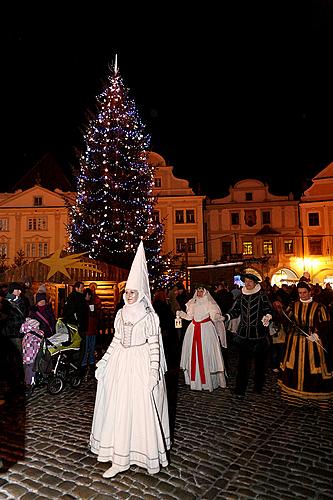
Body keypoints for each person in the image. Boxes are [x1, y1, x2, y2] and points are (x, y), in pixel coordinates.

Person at [89, 241, 170, 478]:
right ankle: (119, 456)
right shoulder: (121, 313)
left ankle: (142, 452)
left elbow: (155, 345)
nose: (129, 295)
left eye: (133, 292)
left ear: (141, 293)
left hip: (140, 362)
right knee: (118, 406)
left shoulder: (148, 317)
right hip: (121, 363)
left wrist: (153, 371)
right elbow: (116, 340)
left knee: (139, 407)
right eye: (127, 292)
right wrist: (104, 361)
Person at [278, 281, 333, 402]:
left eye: (304, 293)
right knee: (293, 367)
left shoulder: (319, 306)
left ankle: (314, 396)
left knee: (313, 367)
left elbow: (326, 324)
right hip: (294, 342)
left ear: (310, 292)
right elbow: (286, 319)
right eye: (300, 293)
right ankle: (295, 396)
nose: (302, 295)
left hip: (312, 341)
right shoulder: (293, 305)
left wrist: (317, 334)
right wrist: (279, 312)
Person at [224, 273, 273, 396]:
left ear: (255, 283)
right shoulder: (241, 296)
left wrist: (267, 317)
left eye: (250, 281)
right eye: (246, 281)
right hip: (244, 335)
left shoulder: (262, 296)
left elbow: (268, 309)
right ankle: (240, 389)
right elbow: (235, 310)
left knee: (260, 364)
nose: (248, 284)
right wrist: (226, 317)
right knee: (242, 365)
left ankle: (258, 387)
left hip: (259, 335)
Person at [178, 285, 227, 392]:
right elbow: (189, 317)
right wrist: (181, 314)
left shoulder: (210, 303)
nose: (199, 293)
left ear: (205, 292)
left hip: (206, 330)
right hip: (193, 329)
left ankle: (208, 381)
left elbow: (214, 315)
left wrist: (218, 317)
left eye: (201, 291)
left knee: (206, 352)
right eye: (198, 291)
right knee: (193, 353)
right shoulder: (192, 303)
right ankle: (195, 380)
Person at [81, 288, 98, 378]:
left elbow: (95, 316)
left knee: (92, 347)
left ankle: (91, 363)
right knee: (85, 348)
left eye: (89, 295)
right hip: (86, 330)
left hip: (93, 329)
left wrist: (94, 312)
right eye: (86, 295)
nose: (88, 296)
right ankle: (83, 364)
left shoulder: (93, 304)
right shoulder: (82, 304)